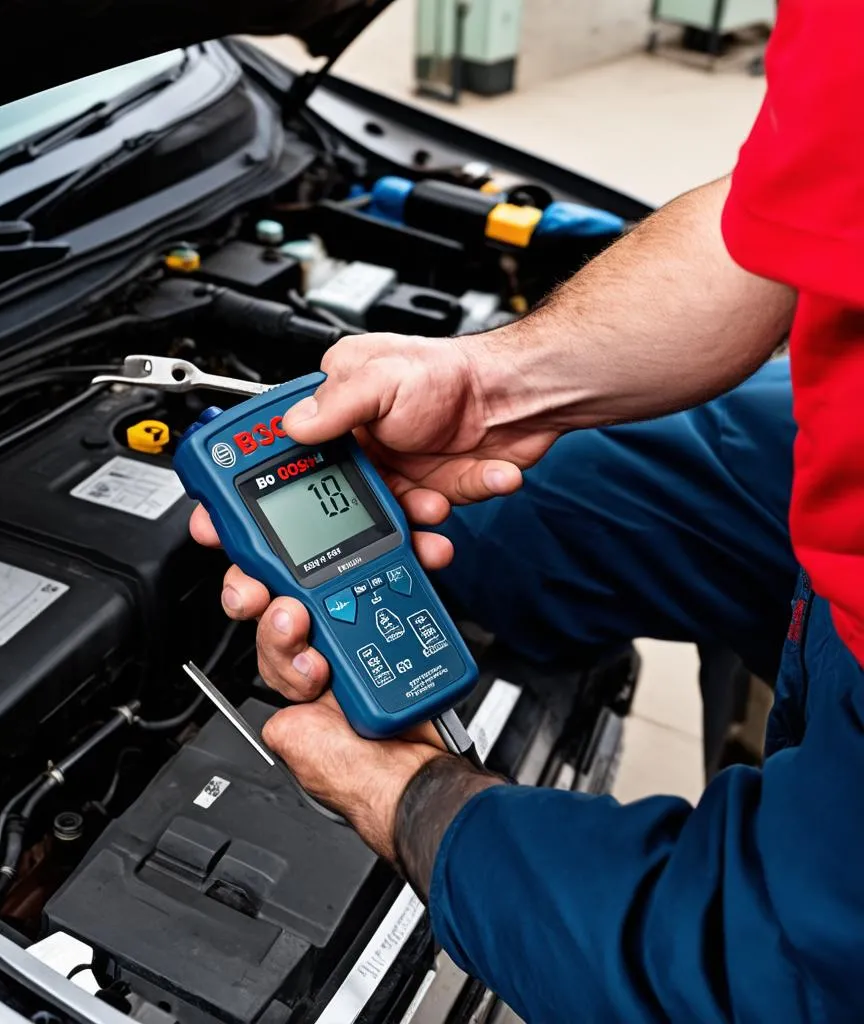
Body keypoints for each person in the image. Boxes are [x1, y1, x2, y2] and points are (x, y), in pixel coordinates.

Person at [192, 4, 864, 1018]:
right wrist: (493, 378)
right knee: (515, 506)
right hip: (829, 437)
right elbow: (778, 203)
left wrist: (413, 799)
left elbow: (781, 983)